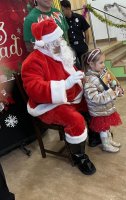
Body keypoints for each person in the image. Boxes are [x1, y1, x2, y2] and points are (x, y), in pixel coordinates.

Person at [21, 19, 96, 175]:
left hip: (71, 97)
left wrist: (82, 77)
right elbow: (35, 89)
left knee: (93, 101)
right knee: (75, 120)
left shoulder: (58, 52)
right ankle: (79, 156)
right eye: (57, 40)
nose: (61, 42)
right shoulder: (32, 61)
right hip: (50, 104)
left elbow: (71, 70)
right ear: (45, 43)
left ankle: (95, 135)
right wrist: (65, 84)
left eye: (61, 38)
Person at [82, 48, 123, 153]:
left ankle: (109, 141)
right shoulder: (89, 80)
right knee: (103, 129)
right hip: (99, 110)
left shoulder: (100, 74)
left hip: (105, 108)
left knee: (107, 127)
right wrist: (111, 93)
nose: (103, 65)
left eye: (103, 62)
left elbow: (106, 87)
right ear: (91, 64)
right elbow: (94, 98)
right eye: (100, 63)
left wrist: (115, 89)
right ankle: (106, 145)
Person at [60, 0, 90, 69]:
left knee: (85, 66)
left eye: (63, 10)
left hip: (81, 46)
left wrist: (86, 44)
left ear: (68, 8)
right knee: (75, 67)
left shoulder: (79, 17)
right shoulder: (63, 21)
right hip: (71, 47)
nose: (62, 12)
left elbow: (86, 31)